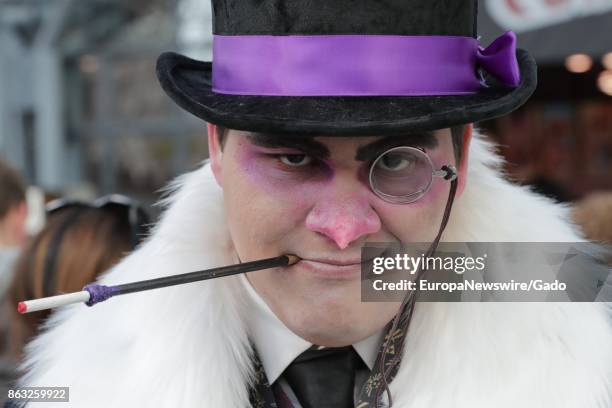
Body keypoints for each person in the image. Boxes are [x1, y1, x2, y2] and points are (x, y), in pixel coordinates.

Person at [11, 1, 612, 407]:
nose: (347, 230)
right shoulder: (81, 384)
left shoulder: (582, 354)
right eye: (293, 159)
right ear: (215, 148)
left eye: (398, 162)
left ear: (463, 152)